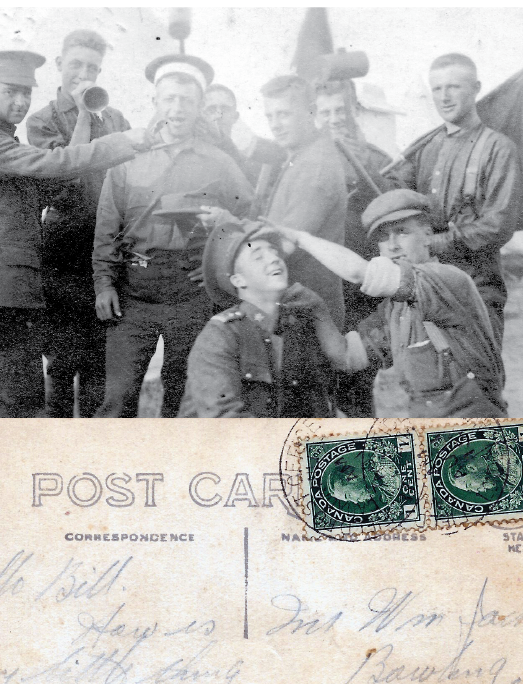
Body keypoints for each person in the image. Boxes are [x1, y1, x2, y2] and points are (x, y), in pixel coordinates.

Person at [0, 50, 147, 418]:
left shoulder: (3, 144)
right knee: (14, 404)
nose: (21, 102)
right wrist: (123, 143)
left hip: (0, 287)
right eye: (10, 91)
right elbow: (54, 163)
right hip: (2, 288)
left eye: (26, 92)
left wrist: (84, 117)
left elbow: (60, 177)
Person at [92, 55, 253, 418]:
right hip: (133, 294)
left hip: (192, 294)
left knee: (184, 397)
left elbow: (247, 218)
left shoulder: (220, 162)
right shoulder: (128, 159)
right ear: (155, 102)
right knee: (117, 398)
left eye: (186, 100)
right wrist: (104, 284)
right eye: (168, 99)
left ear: (199, 107)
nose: (177, 109)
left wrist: (218, 267)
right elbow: (107, 229)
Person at [264, 189, 507, 417]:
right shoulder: (395, 307)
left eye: (402, 231)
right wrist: (317, 309)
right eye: (382, 237)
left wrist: (300, 238)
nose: (392, 245)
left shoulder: (447, 280)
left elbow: (360, 274)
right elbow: (348, 357)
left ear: (428, 235)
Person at [26, 30, 130, 418]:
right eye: (76, 66)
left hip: (105, 248)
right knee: (61, 357)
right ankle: (55, 439)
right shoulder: (41, 121)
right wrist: (85, 117)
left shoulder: (116, 117)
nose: (83, 74)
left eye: (92, 68)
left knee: (99, 358)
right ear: (59, 66)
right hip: (62, 248)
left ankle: (87, 439)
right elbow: (63, 173)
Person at [391, 53, 519, 345]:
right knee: (431, 376)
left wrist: (434, 242)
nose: (444, 97)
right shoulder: (424, 147)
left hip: (476, 286)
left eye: (454, 87)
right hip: (426, 281)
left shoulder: (498, 148)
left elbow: (497, 226)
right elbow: (400, 199)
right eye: (437, 89)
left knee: (478, 377)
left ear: (476, 88)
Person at [178, 220, 338, 417]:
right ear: (238, 280)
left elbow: (320, 401)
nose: (273, 259)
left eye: (274, 252)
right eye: (258, 257)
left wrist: (318, 308)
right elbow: (223, 419)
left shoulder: (296, 324)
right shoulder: (221, 334)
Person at [315, 78, 396, 415]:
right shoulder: (303, 160)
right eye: (325, 112)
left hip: (359, 291)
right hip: (316, 284)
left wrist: (367, 171)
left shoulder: (376, 160)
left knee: (357, 386)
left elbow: (394, 212)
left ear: (355, 110)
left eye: (341, 109)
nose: (334, 118)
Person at [259, 75, 348, 330]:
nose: (275, 125)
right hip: (298, 306)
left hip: (308, 314)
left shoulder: (314, 167)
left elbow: (281, 246)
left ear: (310, 112)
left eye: (284, 114)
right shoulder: (303, 156)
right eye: (270, 116)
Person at [202, 83, 286, 188]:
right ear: (201, 115)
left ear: (235, 116)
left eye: (225, 109)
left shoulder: (260, 152)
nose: (219, 115)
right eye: (211, 109)